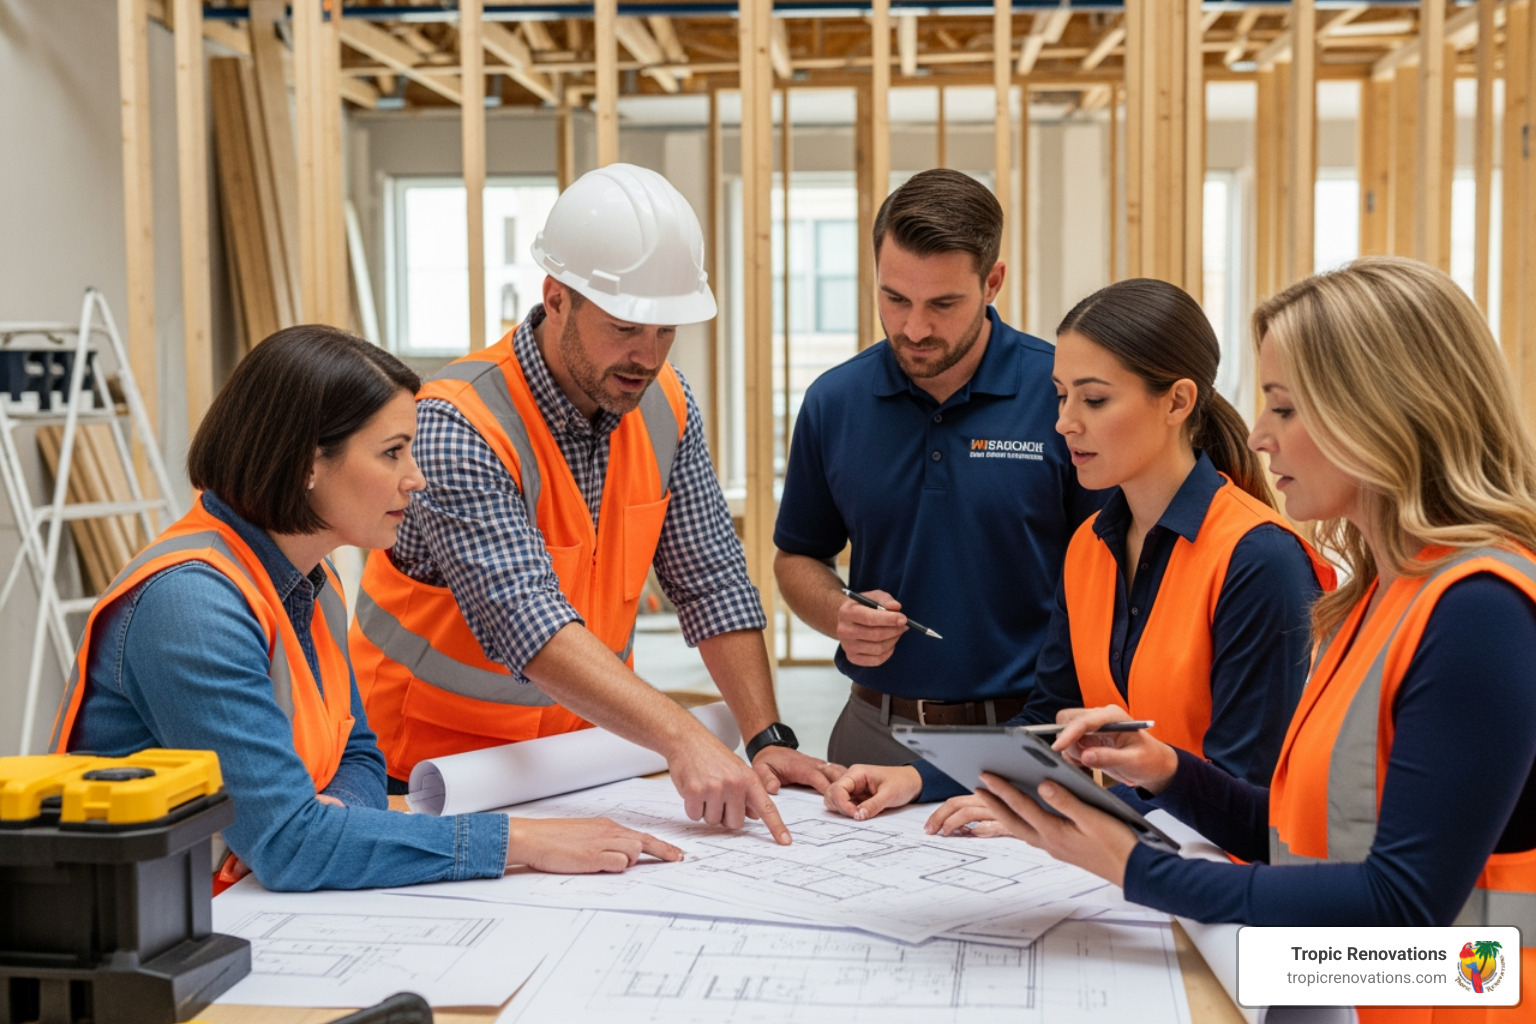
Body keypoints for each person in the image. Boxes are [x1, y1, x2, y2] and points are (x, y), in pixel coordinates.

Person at [959, 258, 1536, 1022]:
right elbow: (1301, 836)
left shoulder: (1481, 608)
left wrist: (1134, 867)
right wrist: (1169, 772)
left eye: (1286, 408)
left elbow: (1402, 902)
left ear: (1386, 410)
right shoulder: (1384, 593)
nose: (1259, 435)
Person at [50, 326, 681, 891]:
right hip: (131, 931)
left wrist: (326, 824)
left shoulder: (309, 580)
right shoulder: (192, 606)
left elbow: (358, 756)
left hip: (222, 907)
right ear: (308, 464)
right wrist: (522, 842)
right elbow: (290, 847)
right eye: (392, 452)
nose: (416, 477)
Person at [351, 163, 835, 845]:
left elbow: (713, 584)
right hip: (426, 775)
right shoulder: (458, 423)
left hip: (574, 763)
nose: (647, 356)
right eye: (624, 327)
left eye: (665, 331)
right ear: (556, 299)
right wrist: (682, 736)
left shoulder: (666, 406)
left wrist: (766, 735)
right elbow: (528, 622)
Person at [827, 279, 1334, 822]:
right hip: (1123, 856)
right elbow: (1046, 722)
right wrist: (916, 778)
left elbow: (1244, 788)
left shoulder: (1261, 561)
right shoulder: (1090, 545)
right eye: (1061, 395)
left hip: (1208, 866)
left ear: (1177, 402)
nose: (1064, 422)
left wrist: (1061, 814)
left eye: (1094, 399)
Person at [774, 168, 1102, 781]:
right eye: (895, 298)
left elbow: (1116, 575)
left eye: (943, 304)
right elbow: (797, 556)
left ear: (992, 282)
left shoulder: (1062, 394)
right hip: (874, 731)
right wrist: (837, 613)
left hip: (1030, 733)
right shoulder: (833, 402)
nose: (914, 328)